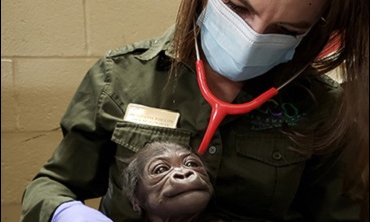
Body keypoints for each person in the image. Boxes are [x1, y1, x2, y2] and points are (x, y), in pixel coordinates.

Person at [20, 0, 369, 221]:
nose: (253, 39)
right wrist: (66, 213)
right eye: (238, 8)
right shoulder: (121, 76)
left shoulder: (323, 106)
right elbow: (51, 185)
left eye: (285, 30)